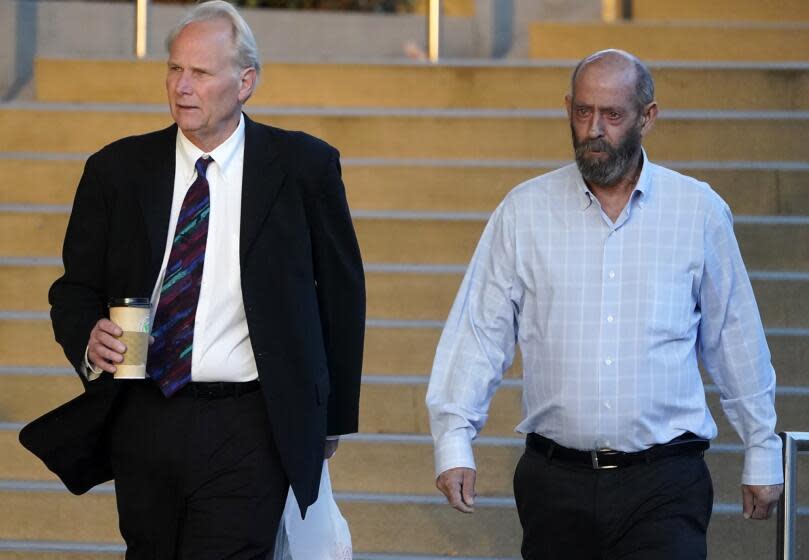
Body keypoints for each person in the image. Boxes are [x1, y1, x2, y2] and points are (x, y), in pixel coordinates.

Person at [426, 49, 783, 559]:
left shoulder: (697, 211)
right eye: (583, 112)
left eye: (613, 115)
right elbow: (480, 332)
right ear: (569, 107)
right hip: (555, 484)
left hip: (666, 482)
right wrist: (454, 438)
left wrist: (762, 446)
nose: (594, 129)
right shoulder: (524, 212)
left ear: (647, 117)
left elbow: (734, 336)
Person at [41, 1, 365, 557]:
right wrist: (88, 338)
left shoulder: (303, 168)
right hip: (144, 414)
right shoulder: (115, 171)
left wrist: (330, 419)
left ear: (245, 82)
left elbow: (340, 297)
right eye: (174, 69)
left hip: (248, 422)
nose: (182, 87)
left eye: (201, 73)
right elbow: (73, 290)